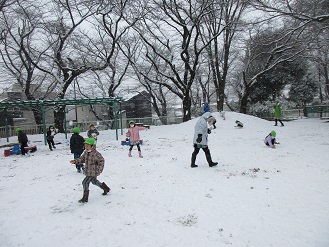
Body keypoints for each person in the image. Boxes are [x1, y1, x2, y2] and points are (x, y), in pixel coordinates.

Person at [70, 138, 110, 203]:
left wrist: (98, 170)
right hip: (88, 171)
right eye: (85, 145)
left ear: (92, 146)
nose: (86, 147)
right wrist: (75, 161)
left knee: (85, 182)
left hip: (93, 172)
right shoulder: (86, 152)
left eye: (87, 145)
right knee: (94, 182)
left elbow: (102, 161)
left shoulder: (96, 154)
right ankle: (106, 188)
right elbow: (82, 159)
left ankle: (85, 198)